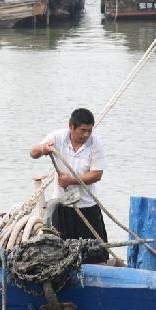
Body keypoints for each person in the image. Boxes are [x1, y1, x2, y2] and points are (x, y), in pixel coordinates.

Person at [30, 108, 108, 263]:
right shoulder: (57, 138)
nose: (86, 135)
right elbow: (33, 153)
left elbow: (96, 175)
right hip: (62, 205)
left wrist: (71, 180)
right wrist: (43, 149)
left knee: (96, 255)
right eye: (82, 130)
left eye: (89, 131)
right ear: (71, 126)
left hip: (87, 206)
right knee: (59, 255)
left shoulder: (95, 144)